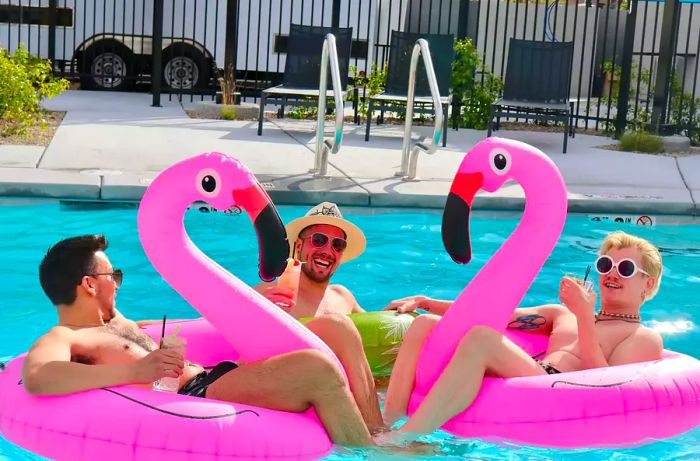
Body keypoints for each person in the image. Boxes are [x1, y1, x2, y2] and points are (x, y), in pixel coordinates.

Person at [22, 234, 373, 447]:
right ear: (89, 284)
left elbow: (190, 328)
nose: (117, 282)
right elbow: (39, 377)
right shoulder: (66, 335)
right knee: (317, 370)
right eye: (113, 275)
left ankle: (376, 424)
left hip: (212, 374)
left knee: (330, 328)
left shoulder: (118, 321)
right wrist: (136, 372)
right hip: (197, 394)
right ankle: (372, 452)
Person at [381, 231, 665, 440]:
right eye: (606, 265)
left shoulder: (642, 337)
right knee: (427, 324)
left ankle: (407, 436)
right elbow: (492, 314)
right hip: (535, 369)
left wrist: (583, 316)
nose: (612, 274)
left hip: (557, 389)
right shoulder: (560, 314)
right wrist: (426, 302)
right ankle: (387, 419)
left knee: (481, 339)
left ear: (647, 283)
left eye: (626, 269)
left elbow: (605, 387)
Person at [254, 202, 384, 433]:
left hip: (342, 403)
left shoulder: (343, 296)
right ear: (300, 245)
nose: (327, 250)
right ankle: (378, 432)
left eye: (338, 244)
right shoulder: (271, 294)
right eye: (319, 240)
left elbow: (374, 340)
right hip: (296, 393)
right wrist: (259, 309)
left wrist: (400, 309)